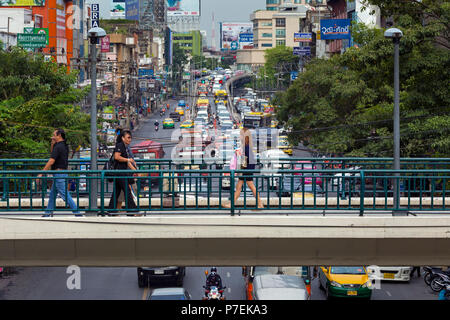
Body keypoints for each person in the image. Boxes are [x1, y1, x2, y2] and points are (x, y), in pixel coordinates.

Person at [38, 129, 81, 217]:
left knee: (64, 194)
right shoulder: (63, 145)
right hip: (61, 172)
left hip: (59, 173)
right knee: (53, 194)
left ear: (59, 135)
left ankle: (77, 213)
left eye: (54, 135)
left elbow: (51, 160)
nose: (53, 136)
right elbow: (53, 154)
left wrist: (41, 173)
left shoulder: (59, 147)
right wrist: (52, 144)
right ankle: (47, 212)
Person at [223, 125, 264, 209]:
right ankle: (231, 204)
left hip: (246, 170)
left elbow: (245, 160)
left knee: (249, 187)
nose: (240, 136)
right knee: (239, 187)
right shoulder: (247, 146)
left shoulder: (246, 147)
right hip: (248, 169)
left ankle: (260, 204)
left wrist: (241, 169)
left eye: (241, 134)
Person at [107, 130, 138, 215]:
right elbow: (117, 157)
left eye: (130, 138)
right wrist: (128, 159)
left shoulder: (124, 147)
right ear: (123, 138)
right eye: (128, 137)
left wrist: (134, 168)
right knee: (127, 191)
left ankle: (111, 209)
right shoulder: (120, 145)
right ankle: (132, 210)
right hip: (120, 172)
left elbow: (126, 161)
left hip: (121, 172)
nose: (130, 139)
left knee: (116, 192)